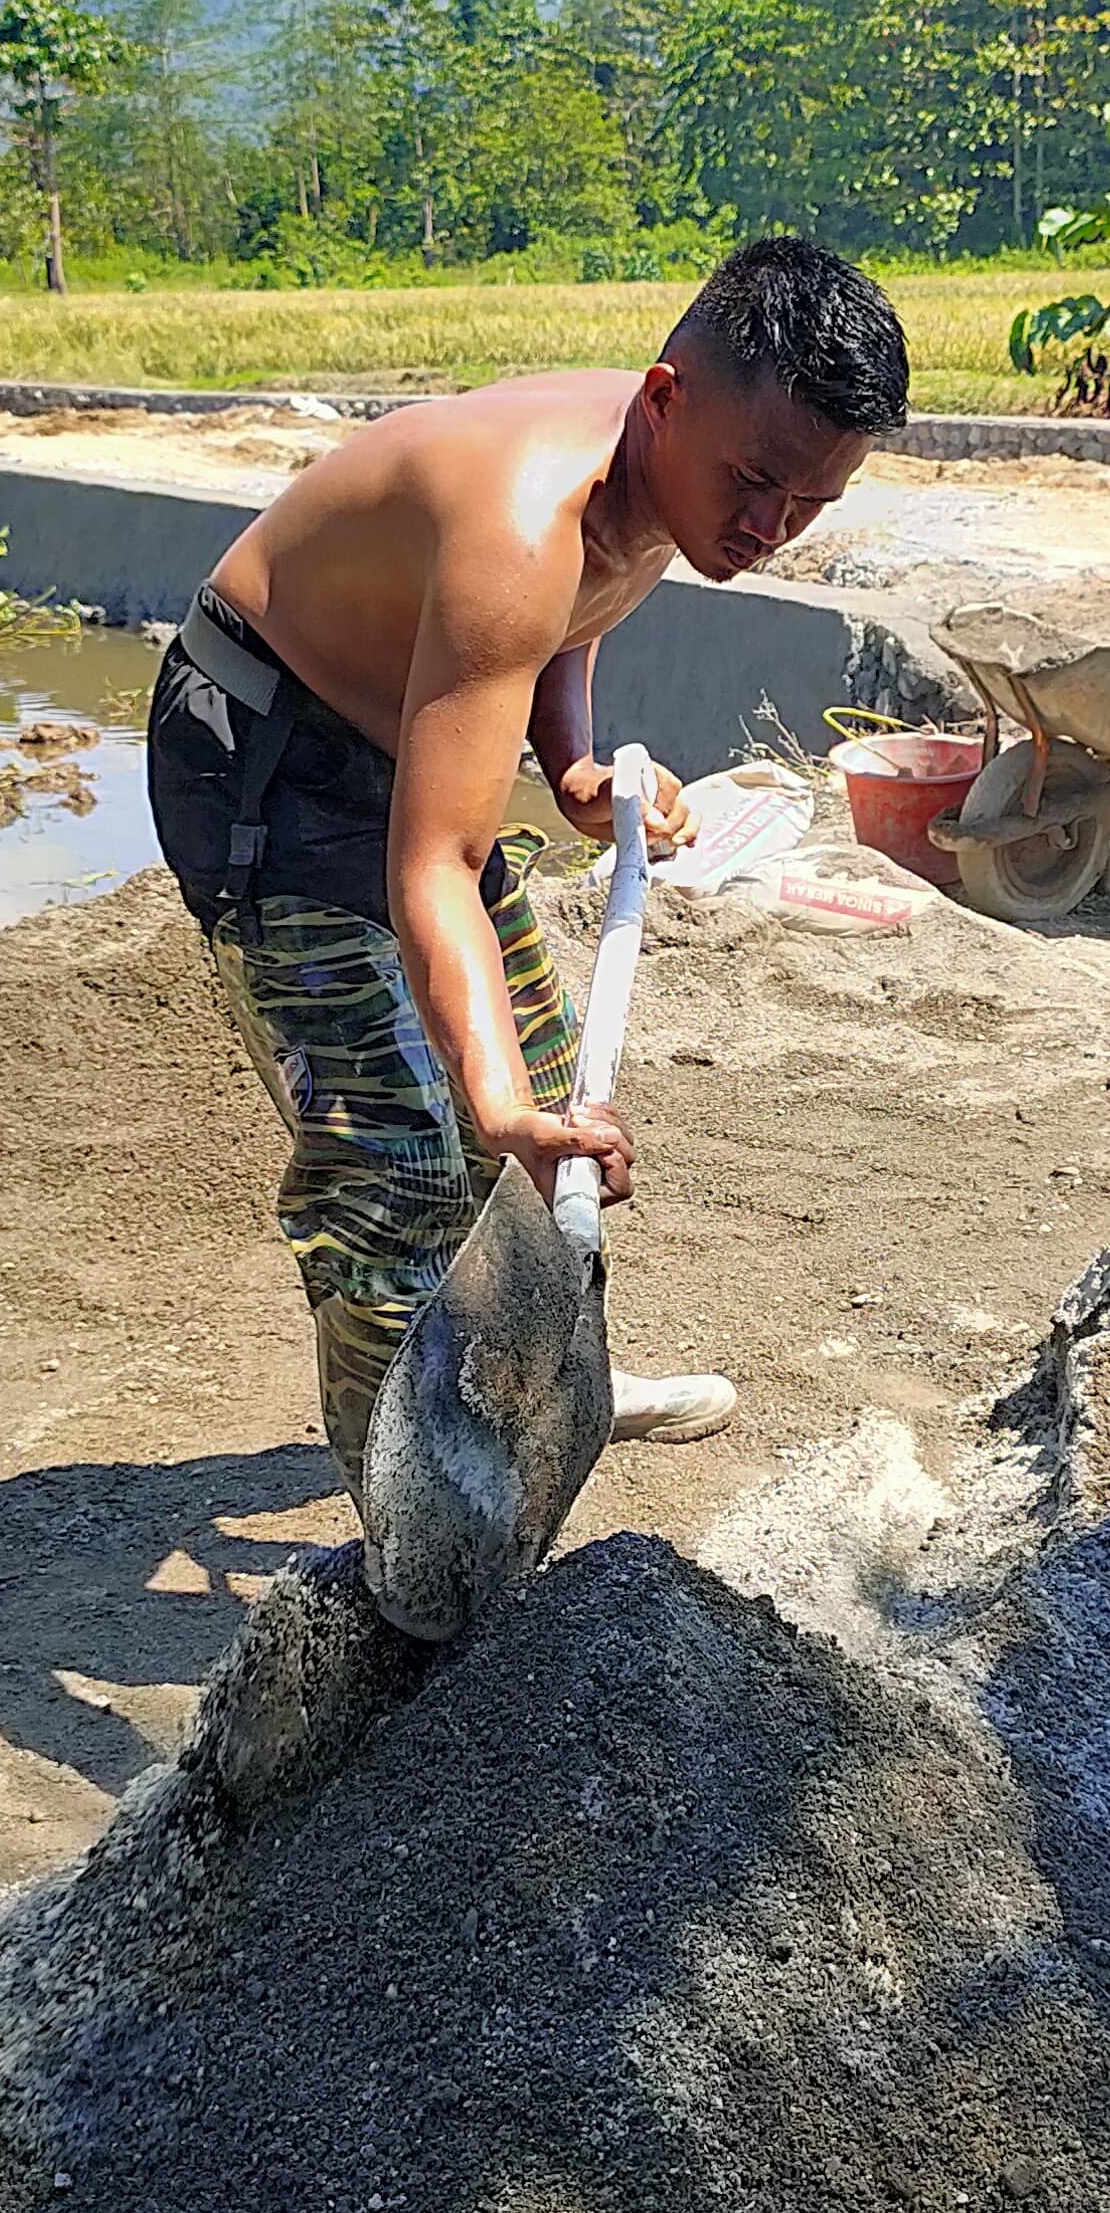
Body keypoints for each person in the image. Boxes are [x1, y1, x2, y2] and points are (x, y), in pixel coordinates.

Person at [147, 236, 909, 1499]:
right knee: (397, 1160)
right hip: (265, 762)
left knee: (548, 1103)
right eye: (757, 486)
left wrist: (567, 765)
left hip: (406, 723)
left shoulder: (682, 471)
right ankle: (415, 1511)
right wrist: (488, 1109)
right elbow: (439, 858)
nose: (772, 529)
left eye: (813, 503)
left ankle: (558, 1391)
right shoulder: (521, 520)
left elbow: (576, 609)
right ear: (665, 400)